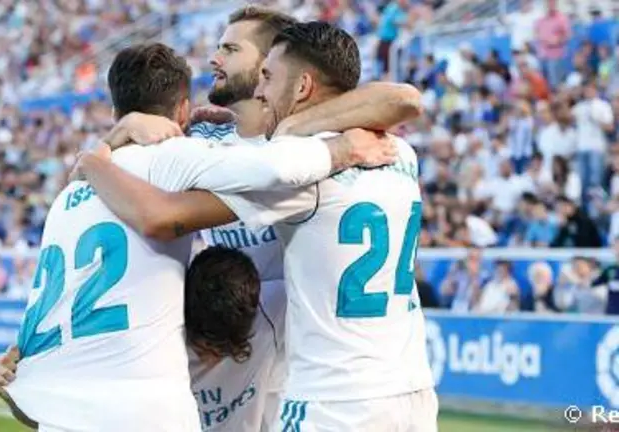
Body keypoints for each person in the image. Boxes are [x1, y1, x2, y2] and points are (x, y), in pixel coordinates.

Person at [0, 43, 391, 432]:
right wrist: (341, 149)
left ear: (116, 107)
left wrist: (103, 144)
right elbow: (275, 169)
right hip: (143, 409)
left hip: (61, 410)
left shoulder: (69, 196)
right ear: (183, 109)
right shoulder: (170, 157)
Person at [77, 22, 436, 431]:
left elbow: (160, 217)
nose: (260, 92)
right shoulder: (399, 151)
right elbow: (398, 98)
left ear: (302, 86)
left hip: (334, 398)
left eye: (268, 77)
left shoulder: (300, 173)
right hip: (412, 389)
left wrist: (96, 159)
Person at [0, 246, 286, 431]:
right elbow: (64, 421)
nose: (213, 358)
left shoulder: (275, 311)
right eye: (204, 347)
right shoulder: (143, 344)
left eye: (230, 348)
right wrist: (12, 393)